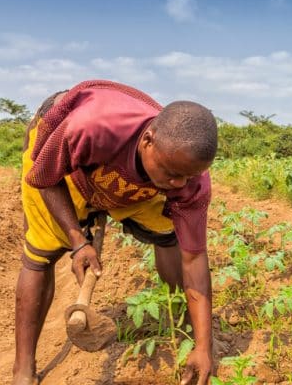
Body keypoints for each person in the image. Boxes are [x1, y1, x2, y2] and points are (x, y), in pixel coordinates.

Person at [13, 80, 216, 385]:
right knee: (40, 255)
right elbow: (45, 178)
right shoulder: (90, 127)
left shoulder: (188, 179)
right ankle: (23, 368)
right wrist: (78, 241)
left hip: (133, 185)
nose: (179, 185)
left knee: (170, 236)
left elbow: (194, 259)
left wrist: (204, 346)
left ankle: (186, 331)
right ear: (148, 141)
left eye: (188, 177)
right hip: (62, 167)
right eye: (173, 174)